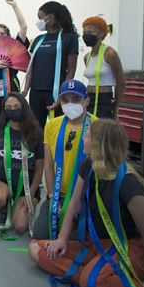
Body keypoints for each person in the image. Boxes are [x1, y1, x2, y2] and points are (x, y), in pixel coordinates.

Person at [29, 119, 144, 287]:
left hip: (127, 250)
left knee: (93, 284)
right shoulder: (87, 166)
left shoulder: (129, 183)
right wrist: (61, 239)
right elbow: (74, 204)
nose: (83, 138)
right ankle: (94, 279)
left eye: (87, 136)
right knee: (36, 249)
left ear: (99, 144)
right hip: (95, 245)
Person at [34, 80, 98, 240]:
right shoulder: (52, 126)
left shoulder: (97, 126)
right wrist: (51, 197)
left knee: (77, 241)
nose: (70, 104)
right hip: (58, 195)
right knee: (41, 237)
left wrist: (77, 204)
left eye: (75, 100)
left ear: (87, 101)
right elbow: (48, 166)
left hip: (86, 197)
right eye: (65, 100)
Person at [0, 93, 44, 234]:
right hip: (4, 182)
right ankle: (4, 205)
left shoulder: (37, 134)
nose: (13, 110)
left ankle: (19, 206)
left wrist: (31, 193)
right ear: (4, 111)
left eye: (17, 107)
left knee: (21, 227)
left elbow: (40, 168)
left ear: (24, 108)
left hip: (27, 187)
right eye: (9, 107)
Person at [22, 1, 79, 128]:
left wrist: (63, 94)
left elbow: (71, 69)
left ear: (51, 17)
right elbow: (31, 67)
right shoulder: (38, 40)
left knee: (57, 127)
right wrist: (26, 89)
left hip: (55, 92)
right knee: (36, 128)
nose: (39, 21)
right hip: (36, 92)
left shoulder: (69, 38)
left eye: (40, 17)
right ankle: (37, 149)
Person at [81, 16, 126, 119]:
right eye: (84, 33)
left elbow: (121, 82)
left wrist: (116, 106)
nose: (86, 36)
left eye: (90, 32)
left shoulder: (110, 54)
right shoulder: (86, 57)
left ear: (101, 33)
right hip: (88, 99)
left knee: (103, 130)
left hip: (104, 99)